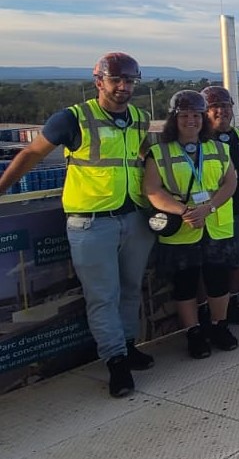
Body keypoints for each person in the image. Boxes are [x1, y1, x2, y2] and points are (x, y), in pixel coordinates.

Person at [0, 52, 156, 397]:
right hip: (91, 224)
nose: (123, 87)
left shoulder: (140, 119)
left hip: (133, 218)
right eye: (116, 80)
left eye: (129, 81)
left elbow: (143, 160)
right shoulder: (73, 118)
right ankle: (115, 361)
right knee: (103, 296)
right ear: (98, 81)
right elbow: (30, 154)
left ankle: (128, 346)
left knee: (131, 289)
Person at [144, 91, 239, 358]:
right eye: (184, 115)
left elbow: (230, 182)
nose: (191, 121)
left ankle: (220, 325)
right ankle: (194, 333)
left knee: (218, 280)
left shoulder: (219, 148)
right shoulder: (159, 152)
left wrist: (208, 208)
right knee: (185, 284)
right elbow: (152, 189)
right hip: (182, 228)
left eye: (196, 115)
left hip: (214, 223)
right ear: (174, 119)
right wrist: (184, 211)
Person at [200, 86, 239, 325]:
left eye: (225, 106)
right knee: (211, 265)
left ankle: (232, 304)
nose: (221, 111)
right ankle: (207, 312)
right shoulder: (200, 141)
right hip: (212, 212)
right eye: (214, 107)